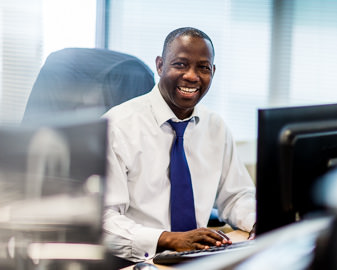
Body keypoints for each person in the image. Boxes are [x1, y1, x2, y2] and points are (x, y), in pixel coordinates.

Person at [102, 27, 256, 265]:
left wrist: (257, 220)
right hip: (137, 261)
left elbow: (237, 196)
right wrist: (168, 239)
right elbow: (103, 220)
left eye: (203, 67)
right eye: (181, 64)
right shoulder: (117, 126)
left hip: (198, 258)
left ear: (213, 72)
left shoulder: (215, 127)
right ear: (160, 65)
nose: (192, 76)